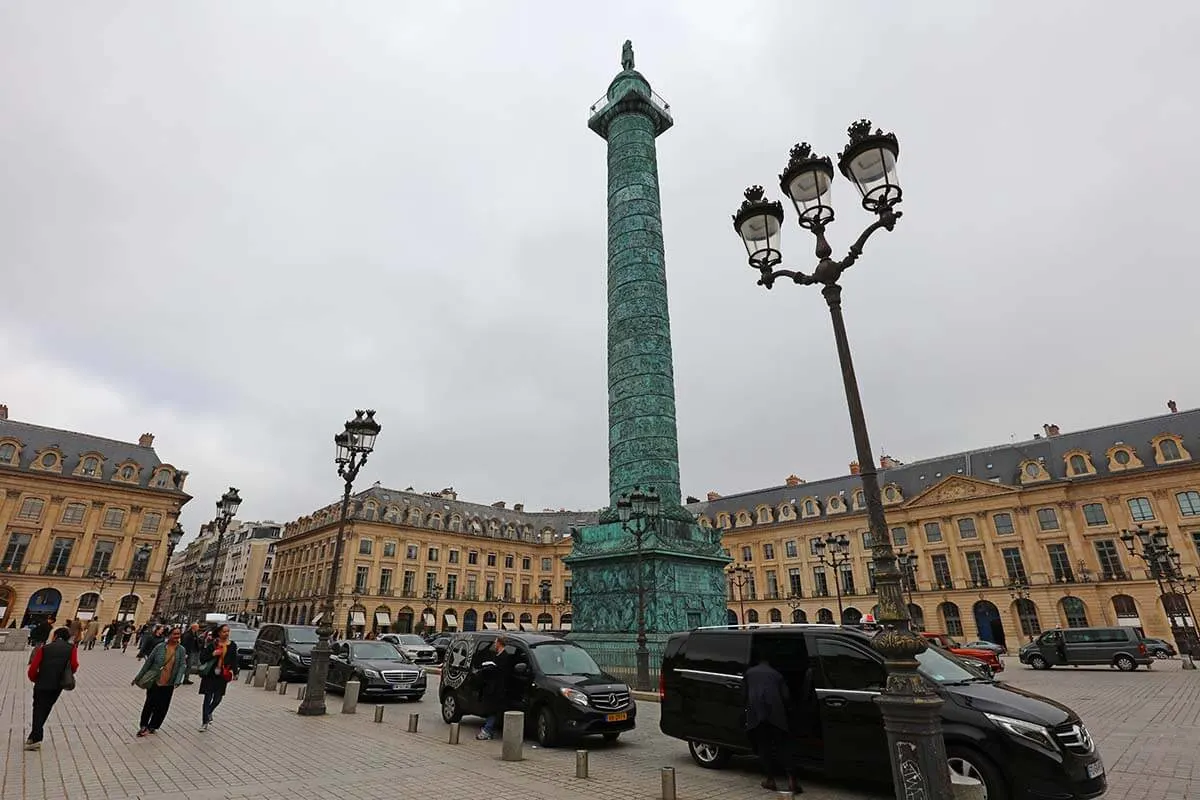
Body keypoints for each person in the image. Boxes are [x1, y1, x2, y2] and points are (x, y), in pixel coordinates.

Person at [743, 657, 802, 794]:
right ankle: (792, 780)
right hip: (776, 716)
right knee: (784, 746)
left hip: (756, 715)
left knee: (764, 747)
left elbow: (743, 695)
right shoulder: (777, 675)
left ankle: (770, 779)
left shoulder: (749, 673)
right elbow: (786, 697)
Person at [25, 627, 79, 751]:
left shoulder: (45, 648)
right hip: (57, 684)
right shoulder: (71, 649)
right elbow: (75, 665)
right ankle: (35, 736)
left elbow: (33, 667)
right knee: (46, 707)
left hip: (42, 682)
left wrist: (34, 678)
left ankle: (35, 737)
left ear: (54, 636)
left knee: (38, 708)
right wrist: (67, 675)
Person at [132, 626, 188, 736]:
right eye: (174, 634)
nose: (177, 636)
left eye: (178, 634)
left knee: (162, 706)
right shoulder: (160, 647)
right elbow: (148, 663)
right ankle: (144, 725)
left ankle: (153, 725)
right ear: (169, 635)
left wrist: (178, 680)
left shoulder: (181, 650)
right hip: (155, 680)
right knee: (149, 704)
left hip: (169, 682)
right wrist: (138, 677)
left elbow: (182, 666)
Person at [197, 624, 239, 731]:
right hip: (210, 674)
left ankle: (209, 712)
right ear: (219, 633)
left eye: (228, 631)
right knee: (207, 698)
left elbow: (234, 659)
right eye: (224, 631)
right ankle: (205, 721)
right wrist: (213, 654)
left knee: (217, 698)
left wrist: (235, 672)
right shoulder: (212, 644)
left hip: (222, 674)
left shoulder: (232, 645)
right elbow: (202, 658)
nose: (227, 633)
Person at [476, 635, 513, 740]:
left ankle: (487, 730)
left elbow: (501, 672)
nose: (494, 644)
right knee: (492, 709)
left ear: (499, 643)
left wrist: (491, 668)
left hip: (498, 688)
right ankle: (489, 730)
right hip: (492, 688)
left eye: (496, 642)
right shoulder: (497, 655)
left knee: (493, 710)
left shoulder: (505, 656)